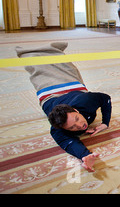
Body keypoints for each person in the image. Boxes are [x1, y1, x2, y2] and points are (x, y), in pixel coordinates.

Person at [15, 42, 111, 172]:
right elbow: (69, 143)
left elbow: (105, 99)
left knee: (64, 68)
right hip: (51, 97)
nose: (79, 126)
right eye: (72, 127)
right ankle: (31, 52)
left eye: (77, 119)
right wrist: (85, 155)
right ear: (65, 128)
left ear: (76, 111)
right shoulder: (57, 129)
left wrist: (105, 123)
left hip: (67, 91)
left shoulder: (87, 100)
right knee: (43, 70)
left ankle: (51, 50)